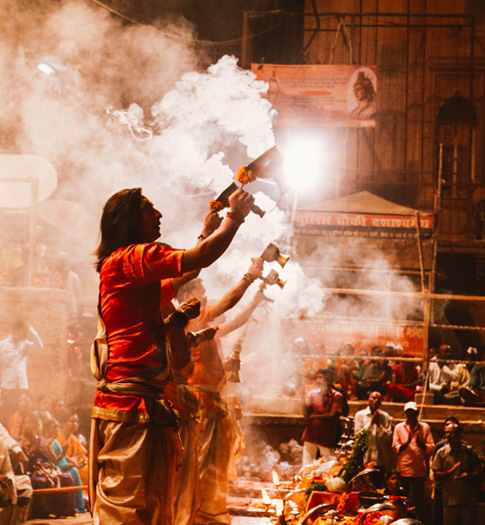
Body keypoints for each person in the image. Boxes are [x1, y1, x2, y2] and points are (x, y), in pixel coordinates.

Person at [89, 186, 255, 525]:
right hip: (131, 405)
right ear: (129, 221)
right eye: (149, 209)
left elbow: (186, 273)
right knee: (127, 508)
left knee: (150, 505)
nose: (159, 215)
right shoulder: (131, 256)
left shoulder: (131, 270)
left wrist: (206, 231)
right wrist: (234, 217)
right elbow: (201, 258)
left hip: (145, 402)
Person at [179, 261, 264, 525]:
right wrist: (249, 276)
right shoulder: (193, 318)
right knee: (200, 463)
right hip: (198, 401)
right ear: (186, 297)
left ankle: (206, 510)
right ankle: (194, 512)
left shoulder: (206, 327)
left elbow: (235, 321)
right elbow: (227, 304)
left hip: (212, 400)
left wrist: (254, 303)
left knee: (212, 463)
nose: (205, 298)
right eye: (201, 293)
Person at [392, 401, 435, 525]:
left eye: (413, 412)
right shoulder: (399, 427)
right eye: (408, 412)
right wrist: (406, 443)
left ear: (416, 413)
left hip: (419, 470)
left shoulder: (424, 427)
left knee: (419, 500)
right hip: (404, 468)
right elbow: (395, 447)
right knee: (402, 498)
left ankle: (419, 522)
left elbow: (431, 447)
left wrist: (420, 444)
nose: (410, 415)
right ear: (405, 414)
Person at [431, 421, 482, 525]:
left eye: (451, 432)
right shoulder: (441, 453)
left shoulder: (468, 451)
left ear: (459, 434)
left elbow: (480, 472)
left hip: (467, 500)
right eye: (446, 432)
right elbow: (436, 475)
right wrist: (450, 472)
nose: (448, 435)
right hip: (449, 501)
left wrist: (468, 476)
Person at [0, 320, 43, 423]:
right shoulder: (2, 345)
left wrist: (30, 329)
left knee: (25, 418)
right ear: (16, 330)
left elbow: (39, 346)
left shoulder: (26, 345)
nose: (25, 335)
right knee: (6, 416)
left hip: (23, 387)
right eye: (23, 332)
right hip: (7, 388)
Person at [301, 367, 343, 466]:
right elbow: (306, 413)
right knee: (307, 463)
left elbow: (332, 415)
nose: (318, 381)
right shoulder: (313, 394)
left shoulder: (337, 396)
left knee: (328, 464)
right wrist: (303, 398)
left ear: (328, 380)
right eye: (317, 378)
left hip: (326, 435)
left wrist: (313, 417)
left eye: (321, 378)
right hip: (311, 433)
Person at [354, 391, 392, 485]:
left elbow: (387, 437)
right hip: (365, 458)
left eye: (379, 399)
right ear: (368, 400)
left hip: (380, 458)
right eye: (374, 398)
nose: (376, 401)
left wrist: (378, 425)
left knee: (377, 486)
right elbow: (358, 435)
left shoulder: (385, 417)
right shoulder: (360, 415)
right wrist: (370, 423)